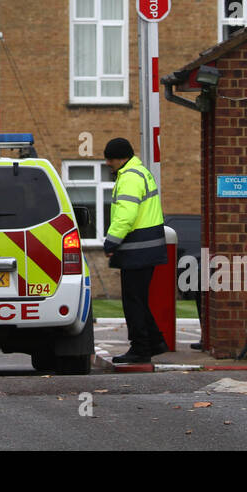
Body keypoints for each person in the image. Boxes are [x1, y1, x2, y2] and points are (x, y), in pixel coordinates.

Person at [102, 137, 170, 364]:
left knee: (133, 302)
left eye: (110, 159)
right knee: (138, 299)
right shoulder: (140, 172)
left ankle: (141, 349)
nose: (108, 163)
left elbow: (126, 216)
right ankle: (156, 342)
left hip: (136, 249)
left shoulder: (130, 178)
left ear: (121, 158)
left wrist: (111, 242)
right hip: (146, 248)